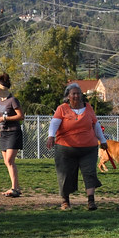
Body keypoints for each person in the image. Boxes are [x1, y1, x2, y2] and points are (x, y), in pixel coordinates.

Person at [46, 82, 108, 211]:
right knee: (65, 175)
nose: (76, 96)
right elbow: (54, 124)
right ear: (68, 96)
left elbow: (96, 125)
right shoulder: (62, 108)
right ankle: (65, 201)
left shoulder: (88, 108)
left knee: (90, 173)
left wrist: (102, 140)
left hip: (88, 148)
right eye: (73, 93)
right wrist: (51, 136)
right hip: (65, 149)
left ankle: (91, 201)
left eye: (78, 93)